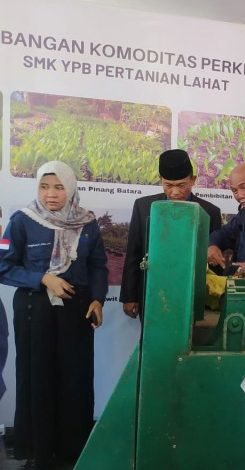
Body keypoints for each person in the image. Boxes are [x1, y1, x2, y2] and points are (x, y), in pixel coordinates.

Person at [0, 161, 108, 469]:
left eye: (59, 187)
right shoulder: (22, 220)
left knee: (76, 379)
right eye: (45, 187)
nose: (51, 195)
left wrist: (99, 300)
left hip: (77, 310)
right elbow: (4, 265)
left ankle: (73, 450)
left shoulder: (87, 222)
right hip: (35, 310)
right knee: (37, 377)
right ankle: (38, 451)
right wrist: (43, 278)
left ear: (71, 188)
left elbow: (98, 265)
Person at [120, 149, 221, 319]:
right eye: (168, 185)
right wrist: (129, 297)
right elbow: (133, 253)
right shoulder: (143, 207)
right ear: (161, 181)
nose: (174, 192)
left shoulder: (210, 212)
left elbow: (214, 263)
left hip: (191, 294)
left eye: (181, 185)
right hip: (152, 292)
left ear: (193, 180)